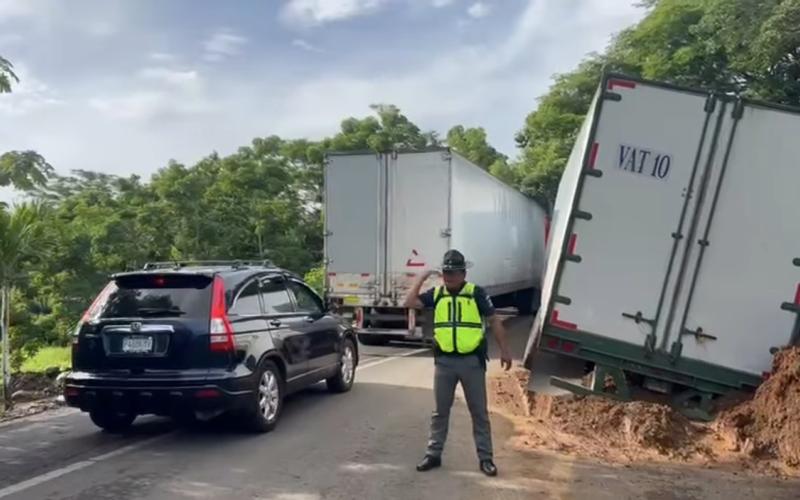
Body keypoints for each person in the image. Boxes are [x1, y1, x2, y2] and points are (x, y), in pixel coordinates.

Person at [404, 249, 513, 477]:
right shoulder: (437, 294)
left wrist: (505, 350)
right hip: (444, 362)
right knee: (440, 412)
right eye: (446, 272)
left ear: (464, 273)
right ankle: (433, 454)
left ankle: (486, 459)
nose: (449, 276)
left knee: (479, 413)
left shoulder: (476, 294)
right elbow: (409, 302)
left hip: (471, 362)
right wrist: (421, 279)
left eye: (453, 272)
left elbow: (494, 320)